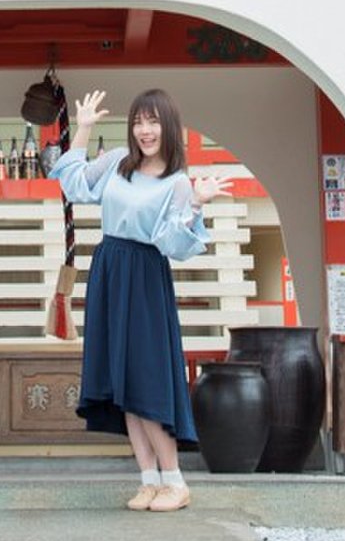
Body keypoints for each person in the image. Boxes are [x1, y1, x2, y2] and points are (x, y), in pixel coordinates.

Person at [52, 87, 230, 513]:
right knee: (123, 381)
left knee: (147, 380)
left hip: (146, 277)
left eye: (152, 121)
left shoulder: (178, 183)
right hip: (109, 268)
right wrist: (84, 129)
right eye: (138, 121)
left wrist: (196, 204)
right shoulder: (117, 162)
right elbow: (74, 185)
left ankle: (175, 480)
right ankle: (148, 480)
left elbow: (174, 244)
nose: (145, 130)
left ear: (168, 126)